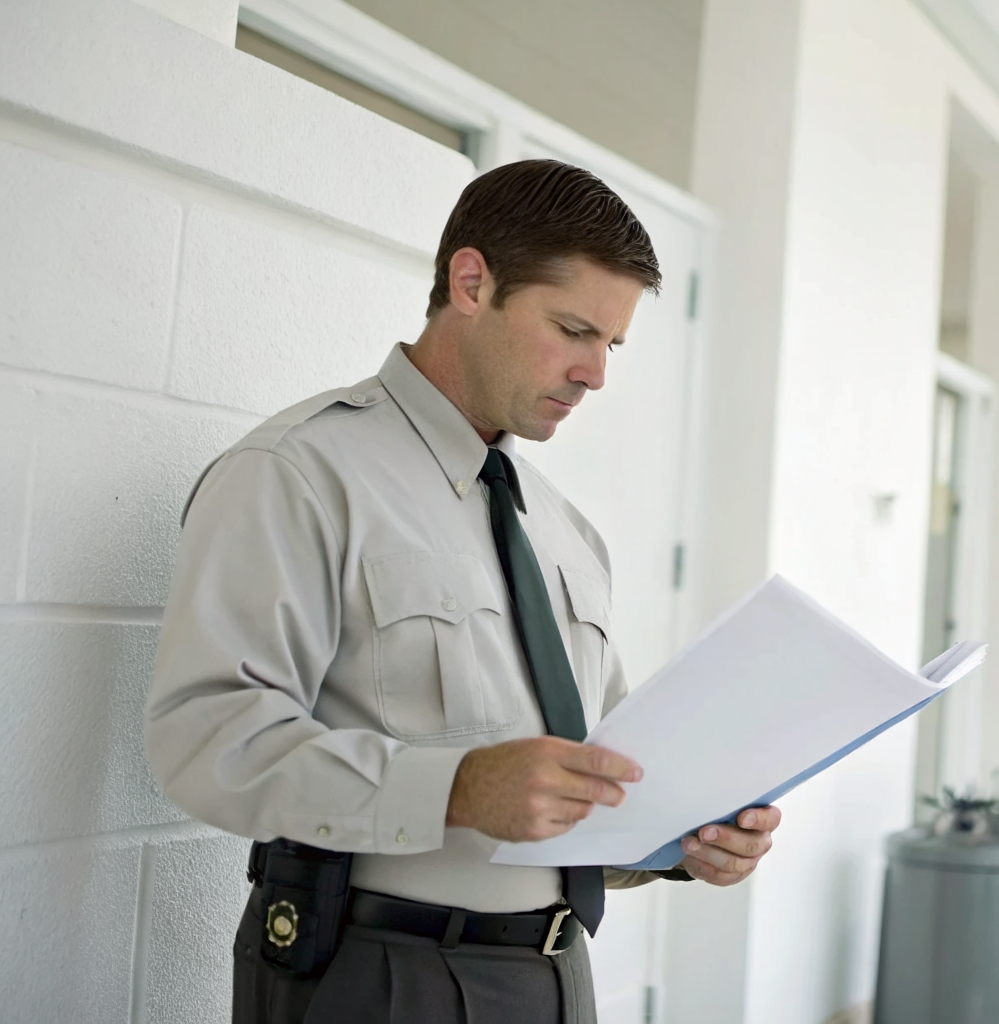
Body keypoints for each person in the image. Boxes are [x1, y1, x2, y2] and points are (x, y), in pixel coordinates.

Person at [144, 159, 782, 1024]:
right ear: (471, 282)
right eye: (572, 329)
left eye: (611, 345)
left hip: (558, 978)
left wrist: (684, 841)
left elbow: (592, 781)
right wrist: (453, 788)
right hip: (375, 975)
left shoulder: (567, 534)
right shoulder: (296, 474)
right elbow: (205, 739)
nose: (595, 373)